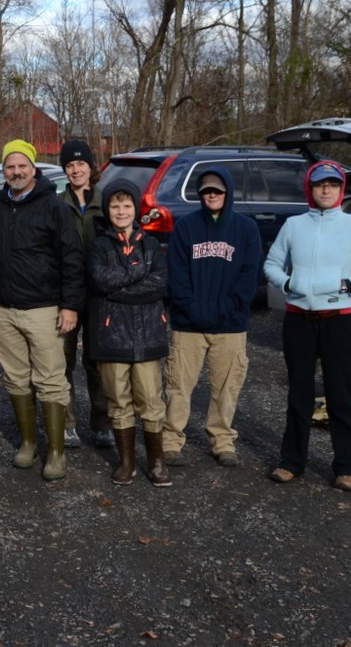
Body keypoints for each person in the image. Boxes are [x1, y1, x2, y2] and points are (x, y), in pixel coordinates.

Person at [263, 162, 351, 492]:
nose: (326, 190)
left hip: (339, 321)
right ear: (310, 188)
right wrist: (289, 283)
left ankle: (346, 467)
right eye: (320, 185)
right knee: (299, 394)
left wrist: (345, 286)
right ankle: (291, 462)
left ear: (341, 189)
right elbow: (272, 265)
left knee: (341, 396)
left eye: (333, 184)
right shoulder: (293, 225)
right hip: (299, 321)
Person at [0, 140, 84, 482]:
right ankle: (28, 442)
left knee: (51, 380)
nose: (16, 172)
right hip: (5, 308)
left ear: (33, 168)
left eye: (22, 166)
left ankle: (55, 452)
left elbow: (72, 257)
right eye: (10, 166)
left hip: (44, 308)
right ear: (4, 170)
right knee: (15, 377)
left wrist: (70, 304)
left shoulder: (53, 206)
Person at [161, 167, 262, 468]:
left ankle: (222, 440)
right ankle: (171, 440)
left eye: (217, 190)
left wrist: (227, 308)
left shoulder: (246, 229)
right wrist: (191, 308)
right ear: (200, 194)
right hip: (188, 324)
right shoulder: (186, 227)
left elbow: (249, 275)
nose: (212, 195)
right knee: (178, 384)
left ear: (227, 192)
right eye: (207, 191)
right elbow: (176, 274)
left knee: (226, 386)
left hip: (230, 324)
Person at [86, 179, 172, 487]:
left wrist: (119, 288)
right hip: (111, 336)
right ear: (107, 209)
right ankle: (126, 462)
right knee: (118, 400)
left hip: (148, 334)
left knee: (151, 399)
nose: (120, 211)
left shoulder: (151, 245)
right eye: (114, 205)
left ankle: (157, 462)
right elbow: (99, 279)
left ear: (135, 209)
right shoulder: (97, 246)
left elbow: (160, 283)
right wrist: (137, 274)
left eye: (126, 205)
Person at [59, 139, 111, 449]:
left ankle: (102, 422)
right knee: (62, 362)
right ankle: (66, 424)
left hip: (99, 295)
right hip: (66, 294)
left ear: (91, 167)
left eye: (81, 163)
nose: (76, 169)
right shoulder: (56, 204)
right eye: (70, 164)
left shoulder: (107, 202)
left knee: (98, 361)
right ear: (65, 170)